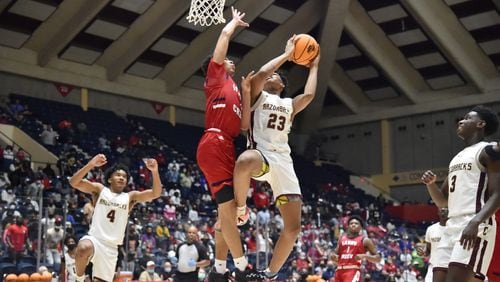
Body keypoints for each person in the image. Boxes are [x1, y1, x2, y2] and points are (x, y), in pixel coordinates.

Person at [232, 35, 320, 279]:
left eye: (276, 76)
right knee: (243, 161)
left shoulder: (289, 104)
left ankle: (270, 275)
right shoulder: (259, 96)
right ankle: (241, 208)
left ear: (282, 85)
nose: (271, 76)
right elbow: (260, 74)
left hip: (284, 162)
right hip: (262, 154)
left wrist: (314, 66)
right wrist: (287, 54)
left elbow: (310, 96)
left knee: (293, 228)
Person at [196, 6, 263, 282]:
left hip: (227, 145)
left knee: (228, 212)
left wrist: (246, 92)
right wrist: (232, 24)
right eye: (226, 61)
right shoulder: (215, 79)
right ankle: (242, 267)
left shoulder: (234, 88)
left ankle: (220, 270)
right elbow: (222, 41)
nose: (230, 62)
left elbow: (245, 125)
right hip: (213, 142)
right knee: (229, 210)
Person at [421, 105, 500, 282]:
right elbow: (443, 203)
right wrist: (431, 185)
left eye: (467, 118)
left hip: (474, 223)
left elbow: (498, 194)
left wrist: (476, 221)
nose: (461, 121)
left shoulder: (490, 150)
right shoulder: (456, 158)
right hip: (451, 227)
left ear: (481, 124)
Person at [69, 154, 162, 282]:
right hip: (95, 239)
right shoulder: (100, 190)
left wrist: (155, 171)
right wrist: (91, 164)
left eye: (124, 177)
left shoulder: (130, 197)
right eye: (118, 175)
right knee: (83, 247)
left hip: (111, 247)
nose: (121, 178)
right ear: (109, 179)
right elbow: (73, 182)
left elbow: (156, 193)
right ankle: (78, 279)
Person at [331, 215, 381, 282]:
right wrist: (333, 257)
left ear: (360, 227)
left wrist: (364, 256)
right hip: (339, 270)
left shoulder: (365, 240)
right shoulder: (342, 238)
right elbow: (335, 256)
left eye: (356, 223)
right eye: (351, 223)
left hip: (353, 270)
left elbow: (378, 258)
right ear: (348, 226)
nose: (353, 225)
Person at [416, 207, 448, 282]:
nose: (444, 211)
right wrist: (423, 252)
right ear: (438, 212)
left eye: (446, 210)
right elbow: (428, 250)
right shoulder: (431, 229)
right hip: (433, 267)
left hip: (449, 268)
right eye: (442, 210)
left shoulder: (454, 229)